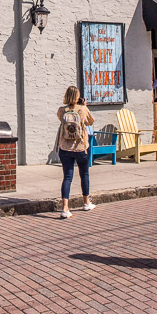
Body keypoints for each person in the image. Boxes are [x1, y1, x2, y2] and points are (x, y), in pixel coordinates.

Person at [56, 86, 95, 219]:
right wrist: (84, 106)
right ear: (78, 97)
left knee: (67, 177)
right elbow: (90, 122)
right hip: (80, 147)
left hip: (65, 147)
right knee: (84, 174)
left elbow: (61, 120)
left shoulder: (62, 110)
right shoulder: (83, 110)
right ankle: (86, 202)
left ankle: (65, 208)